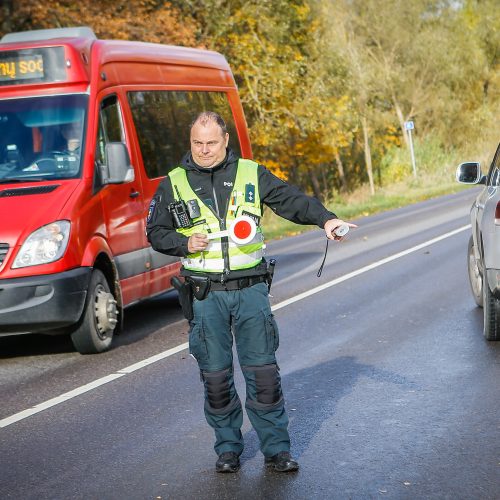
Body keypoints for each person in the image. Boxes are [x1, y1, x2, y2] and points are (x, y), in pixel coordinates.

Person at [146, 111, 356, 473]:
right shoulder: (173, 182)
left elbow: (291, 200)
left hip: (250, 290)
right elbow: (155, 232)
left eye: (212, 143)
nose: (205, 150)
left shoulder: (250, 173)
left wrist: (327, 218)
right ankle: (228, 449)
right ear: (190, 143)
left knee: (263, 374)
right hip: (204, 295)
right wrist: (183, 241)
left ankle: (277, 451)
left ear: (225, 141)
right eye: (198, 143)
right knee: (215, 377)